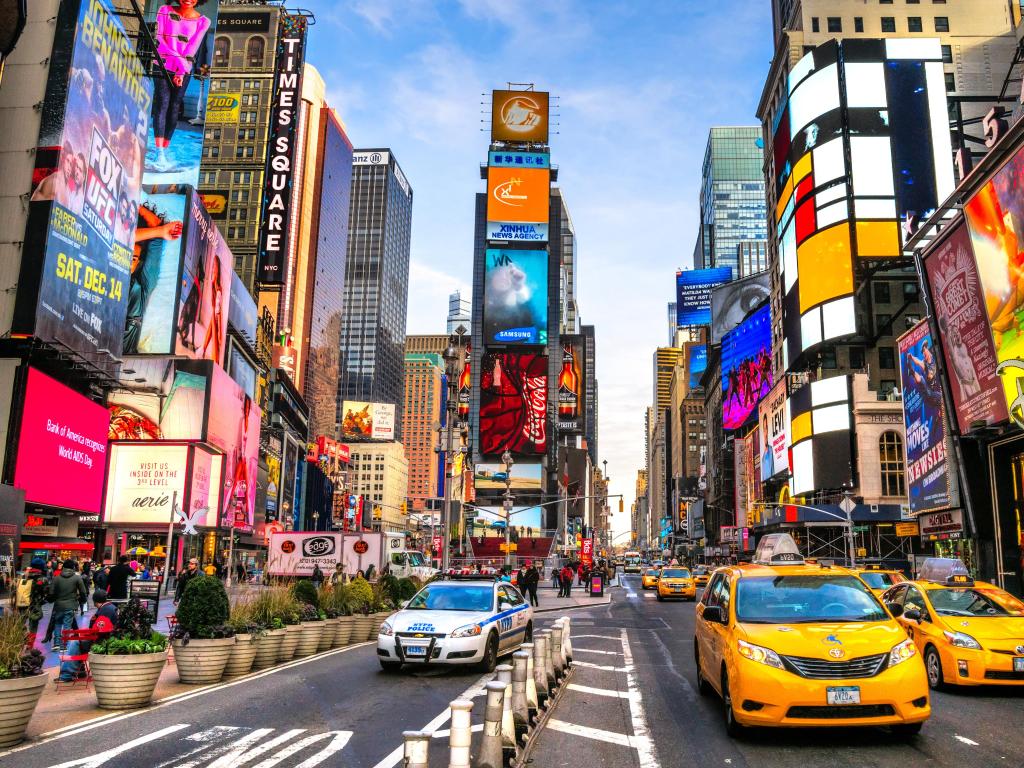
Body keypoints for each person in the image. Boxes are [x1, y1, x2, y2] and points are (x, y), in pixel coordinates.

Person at [150, 1, 212, 170]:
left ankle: (165, 147)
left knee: (174, 106)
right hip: (162, 64)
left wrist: (180, 72)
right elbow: (159, 40)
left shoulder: (203, 21)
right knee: (162, 104)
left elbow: (192, 48)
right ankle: (158, 152)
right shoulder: (165, 10)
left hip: (183, 70)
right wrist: (179, 61)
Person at [57, 590, 118, 683]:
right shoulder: (110, 607)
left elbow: (100, 630)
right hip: (107, 638)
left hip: (103, 640)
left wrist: (85, 635)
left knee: (76, 643)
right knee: (79, 641)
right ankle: (80, 672)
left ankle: (66, 675)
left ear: (94, 601)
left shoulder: (105, 610)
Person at [47, 560, 87, 652]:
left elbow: (51, 593)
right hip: (71, 605)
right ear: (73, 567)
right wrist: (83, 601)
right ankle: (63, 645)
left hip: (58, 605)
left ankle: (56, 643)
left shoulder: (56, 578)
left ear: (63, 567)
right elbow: (83, 592)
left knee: (57, 623)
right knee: (67, 625)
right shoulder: (77, 578)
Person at [16, 557, 50, 648]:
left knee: (20, 623)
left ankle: (21, 641)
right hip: (35, 605)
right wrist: (42, 602)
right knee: (33, 626)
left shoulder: (24, 576)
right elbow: (47, 594)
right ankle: (29, 645)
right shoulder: (42, 579)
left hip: (22, 603)